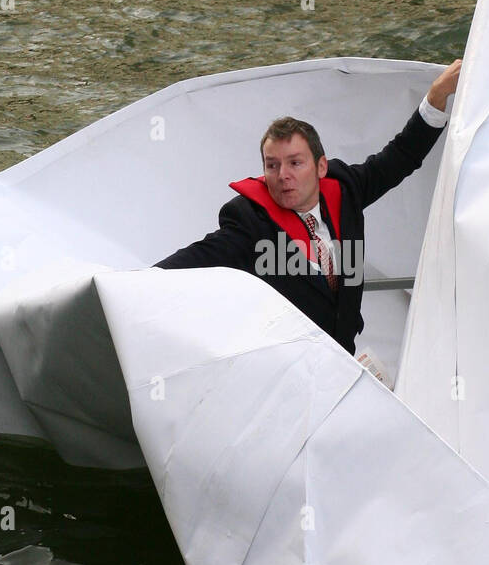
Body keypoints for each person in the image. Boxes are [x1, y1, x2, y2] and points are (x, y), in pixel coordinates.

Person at [154, 59, 461, 356]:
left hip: (343, 354)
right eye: (272, 165)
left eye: (295, 163)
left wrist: (437, 97)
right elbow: (189, 262)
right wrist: (129, 285)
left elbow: (401, 157)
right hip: (289, 369)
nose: (282, 175)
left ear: (321, 167)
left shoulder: (346, 189)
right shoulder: (249, 222)